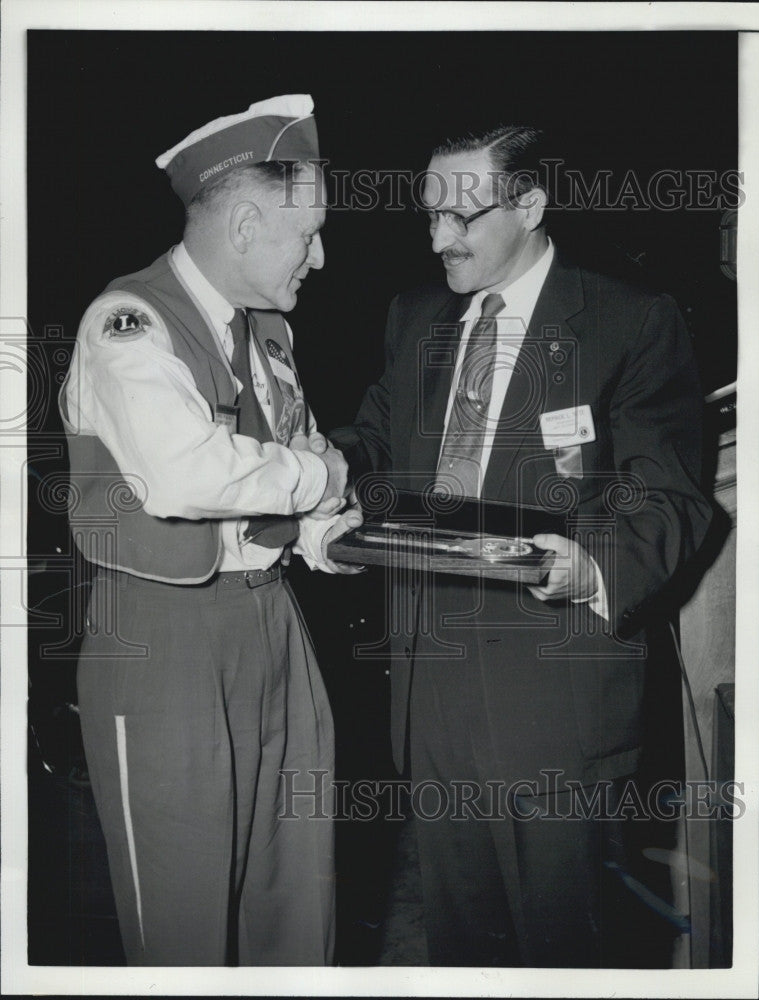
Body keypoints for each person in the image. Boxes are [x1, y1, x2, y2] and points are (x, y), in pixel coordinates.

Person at [336, 125, 713, 967]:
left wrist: (595, 564)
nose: (438, 239)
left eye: (461, 217)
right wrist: (304, 471)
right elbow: (373, 441)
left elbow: (671, 495)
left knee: (570, 947)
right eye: (428, 216)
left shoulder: (627, 319)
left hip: (556, 699)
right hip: (430, 695)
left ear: (530, 203)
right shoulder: (414, 317)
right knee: (463, 945)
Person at [59, 94, 361, 967]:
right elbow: (185, 474)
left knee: (294, 891)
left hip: (273, 624)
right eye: (306, 234)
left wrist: (315, 530)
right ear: (242, 223)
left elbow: (271, 470)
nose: (320, 256)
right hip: (164, 643)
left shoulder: (269, 335)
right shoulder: (129, 323)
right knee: (184, 918)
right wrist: (320, 475)